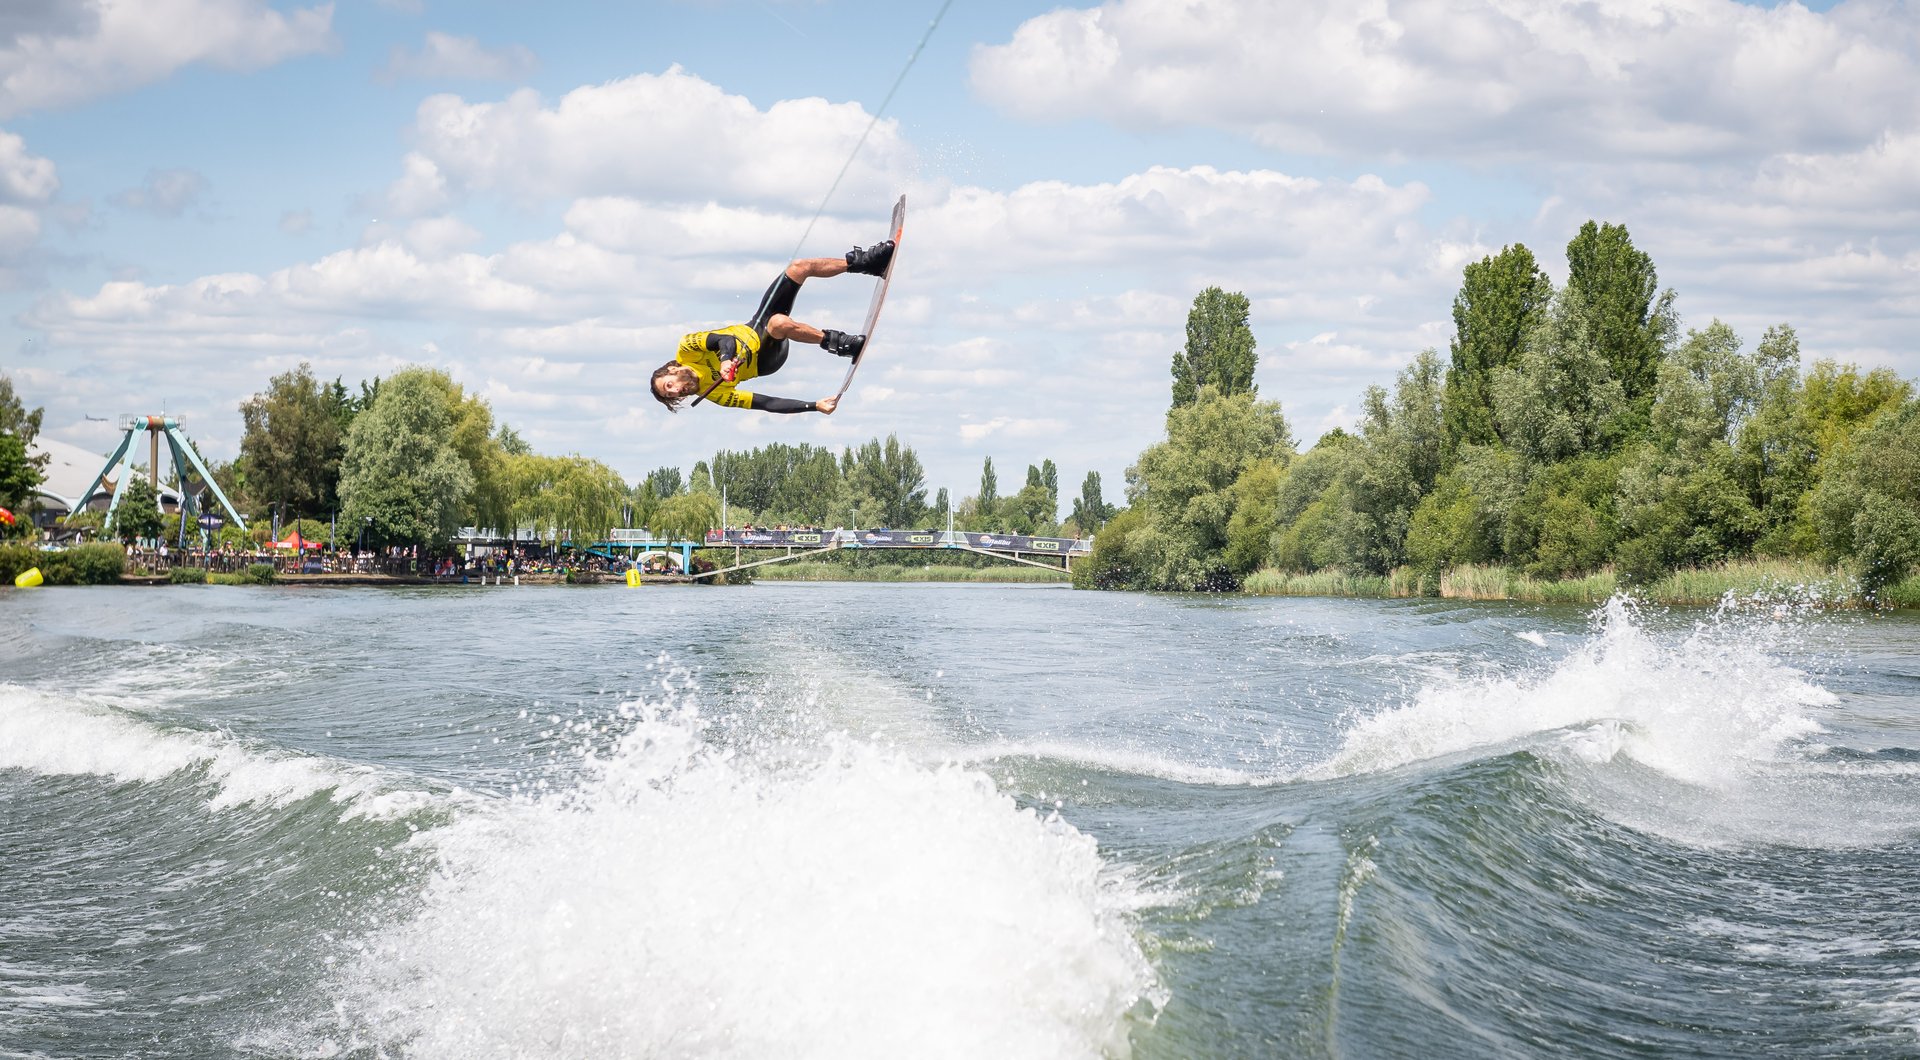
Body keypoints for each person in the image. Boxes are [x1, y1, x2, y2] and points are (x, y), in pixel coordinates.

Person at [650, 238, 895, 415]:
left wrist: (726, 360)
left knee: (799, 267)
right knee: (778, 324)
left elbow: (724, 341)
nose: (674, 392)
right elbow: (766, 403)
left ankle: (866, 264)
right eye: (670, 395)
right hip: (765, 360)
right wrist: (814, 406)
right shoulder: (715, 394)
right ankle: (842, 345)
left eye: (668, 385)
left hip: (754, 325)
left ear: (672, 368)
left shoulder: (687, 349)